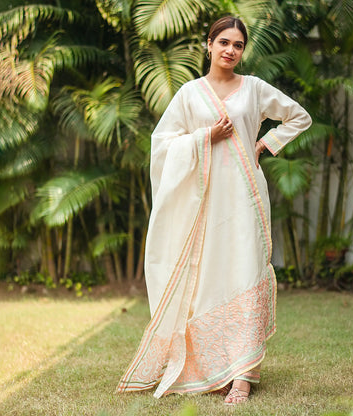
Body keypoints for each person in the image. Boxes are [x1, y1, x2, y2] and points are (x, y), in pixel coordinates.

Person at [117, 16, 312, 405]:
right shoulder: (189, 94)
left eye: (238, 45)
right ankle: (215, 367)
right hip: (204, 204)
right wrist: (207, 136)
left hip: (245, 198)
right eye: (224, 42)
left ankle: (242, 376)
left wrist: (263, 144)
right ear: (208, 44)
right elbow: (163, 143)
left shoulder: (254, 89)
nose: (230, 50)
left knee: (246, 272)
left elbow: (299, 116)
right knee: (209, 280)